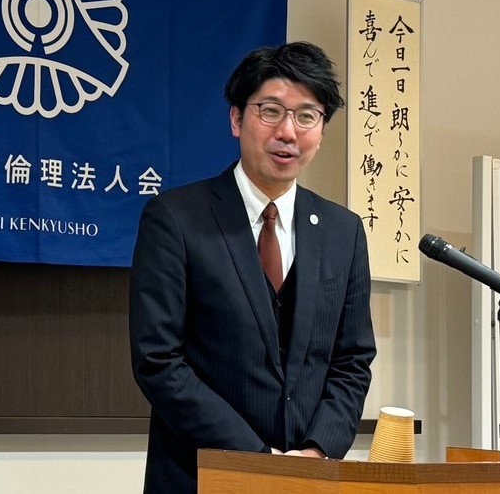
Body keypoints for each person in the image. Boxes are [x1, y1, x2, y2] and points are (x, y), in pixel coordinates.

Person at [129, 41, 376, 493]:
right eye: (271, 111)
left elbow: (352, 360)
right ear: (236, 118)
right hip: (199, 475)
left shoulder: (344, 231)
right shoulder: (176, 218)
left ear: (321, 130)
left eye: (307, 116)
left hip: (306, 479)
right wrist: (257, 459)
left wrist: (317, 452)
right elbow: (158, 360)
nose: (288, 132)